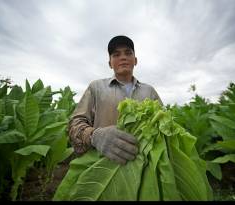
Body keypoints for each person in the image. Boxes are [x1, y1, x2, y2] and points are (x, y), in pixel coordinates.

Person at [68, 35, 163, 165]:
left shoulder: (149, 91)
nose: (123, 57)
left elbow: (163, 125)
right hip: (102, 166)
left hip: (145, 168)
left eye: (128, 53)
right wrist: (95, 136)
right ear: (110, 63)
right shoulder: (96, 88)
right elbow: (75, 123)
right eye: (116, 54)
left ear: (135, 60)